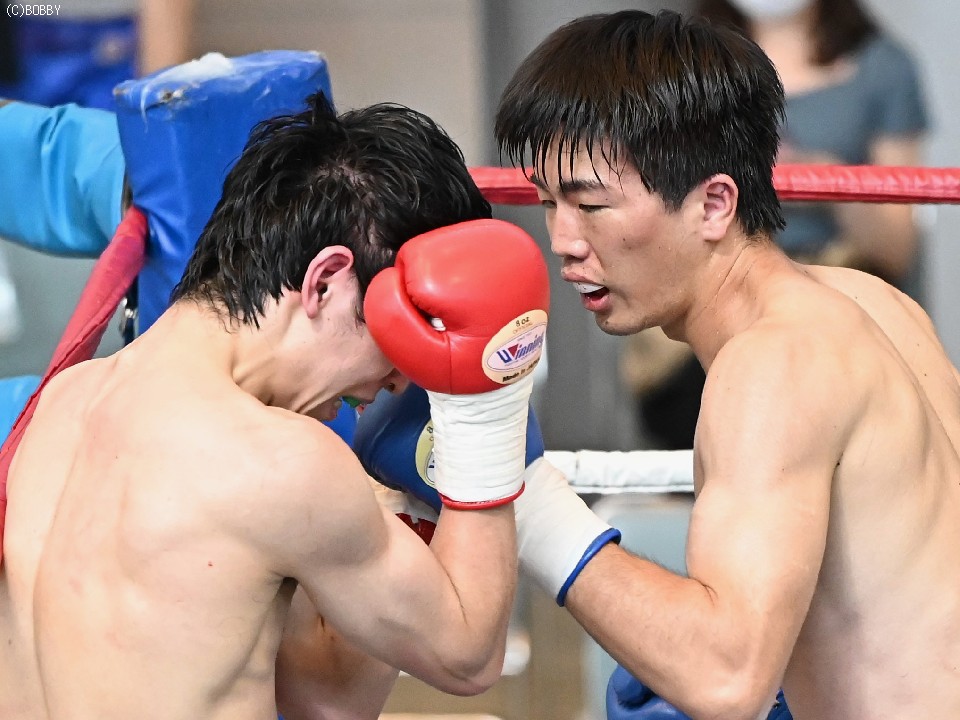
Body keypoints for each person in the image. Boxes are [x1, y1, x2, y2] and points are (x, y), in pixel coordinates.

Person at [0, 92, 549, 719]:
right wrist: (482, 413)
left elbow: (327, 700)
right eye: (405, 324)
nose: (401, 379)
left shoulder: (59, 404)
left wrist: (404, 504)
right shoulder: (280, 462)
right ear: (325, 281)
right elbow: (468, 657)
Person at [487, 9, 960, 719]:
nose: (563, 240)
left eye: (591, 204)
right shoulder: (875, 304)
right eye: (550, 202)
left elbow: (725, 679)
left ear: (714, 204)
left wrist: (530, 507)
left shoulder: (771, 365)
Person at [623, 0, 930, 452]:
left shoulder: (882, 66)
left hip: (834, 298)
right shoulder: (674, 62)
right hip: (708, 302)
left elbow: (896, 244)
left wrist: (824, 179)